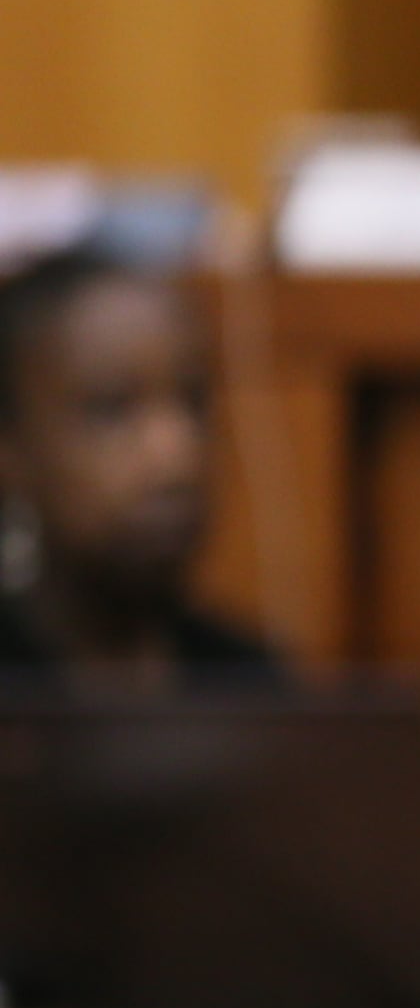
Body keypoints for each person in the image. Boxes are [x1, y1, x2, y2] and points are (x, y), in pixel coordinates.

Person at [0, 248, 280, 686]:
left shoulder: (252, 686)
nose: (176, 457)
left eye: (194, 402)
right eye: (112, 410)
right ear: (11, 448)